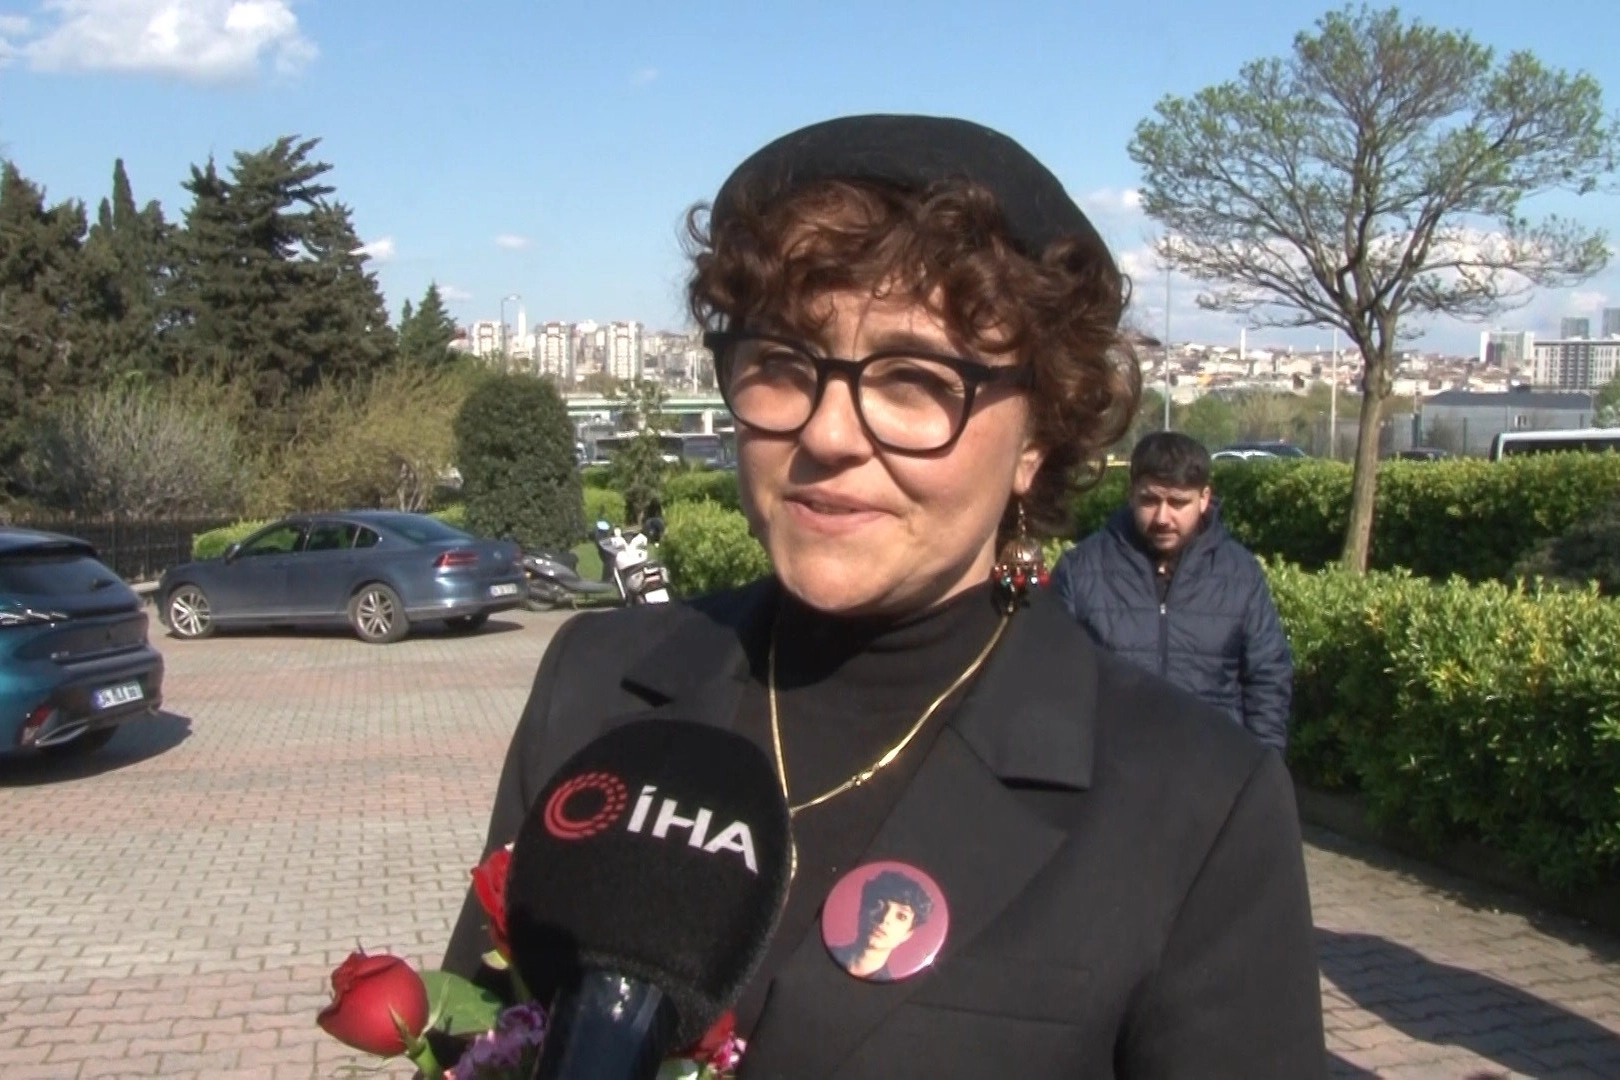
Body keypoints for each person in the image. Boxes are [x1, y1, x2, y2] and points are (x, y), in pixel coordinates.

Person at [443, 114, 1325, 1077]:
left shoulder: (1191, 801)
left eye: (913, 380)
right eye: (783, 364)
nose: (827, 434)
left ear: (1039, 438)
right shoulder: (596, 687)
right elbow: (470, 1039)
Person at [1052, 431, 1294, 753]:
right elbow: (1055, 679)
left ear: (1204, 498)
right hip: (1112, 769)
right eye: (1150, 500)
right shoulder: (1080, 571)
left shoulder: (1240, 575)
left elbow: (1268, 677)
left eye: (1178, 502)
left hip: (1211, 770)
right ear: (1131, 494)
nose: (1162, 518)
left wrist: (1265, 768)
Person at [828, 869, 934, 982]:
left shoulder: (891, 990)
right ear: (862, 910)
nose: (885, 919)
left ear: (907, 934)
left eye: (901, 916)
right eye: (878, 905)